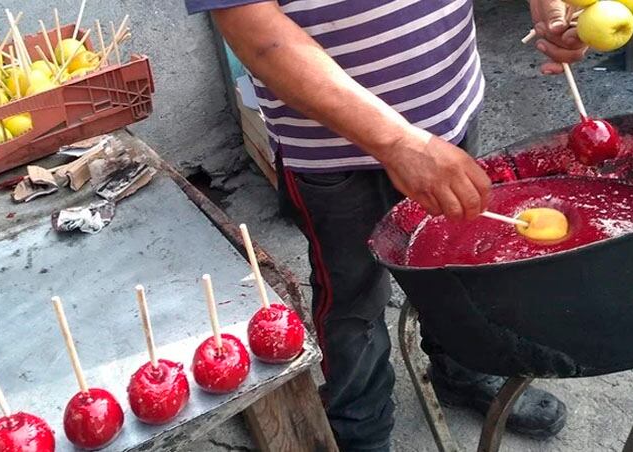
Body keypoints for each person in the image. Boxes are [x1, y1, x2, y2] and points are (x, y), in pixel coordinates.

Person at [185, 1, 587, 450]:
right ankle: (360, 424)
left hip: (452, 108)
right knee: (352, 297)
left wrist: (551, 7)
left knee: (458, 263)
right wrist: (397, 142)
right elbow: (254, 31)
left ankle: (462, 371)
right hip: (335, 156)